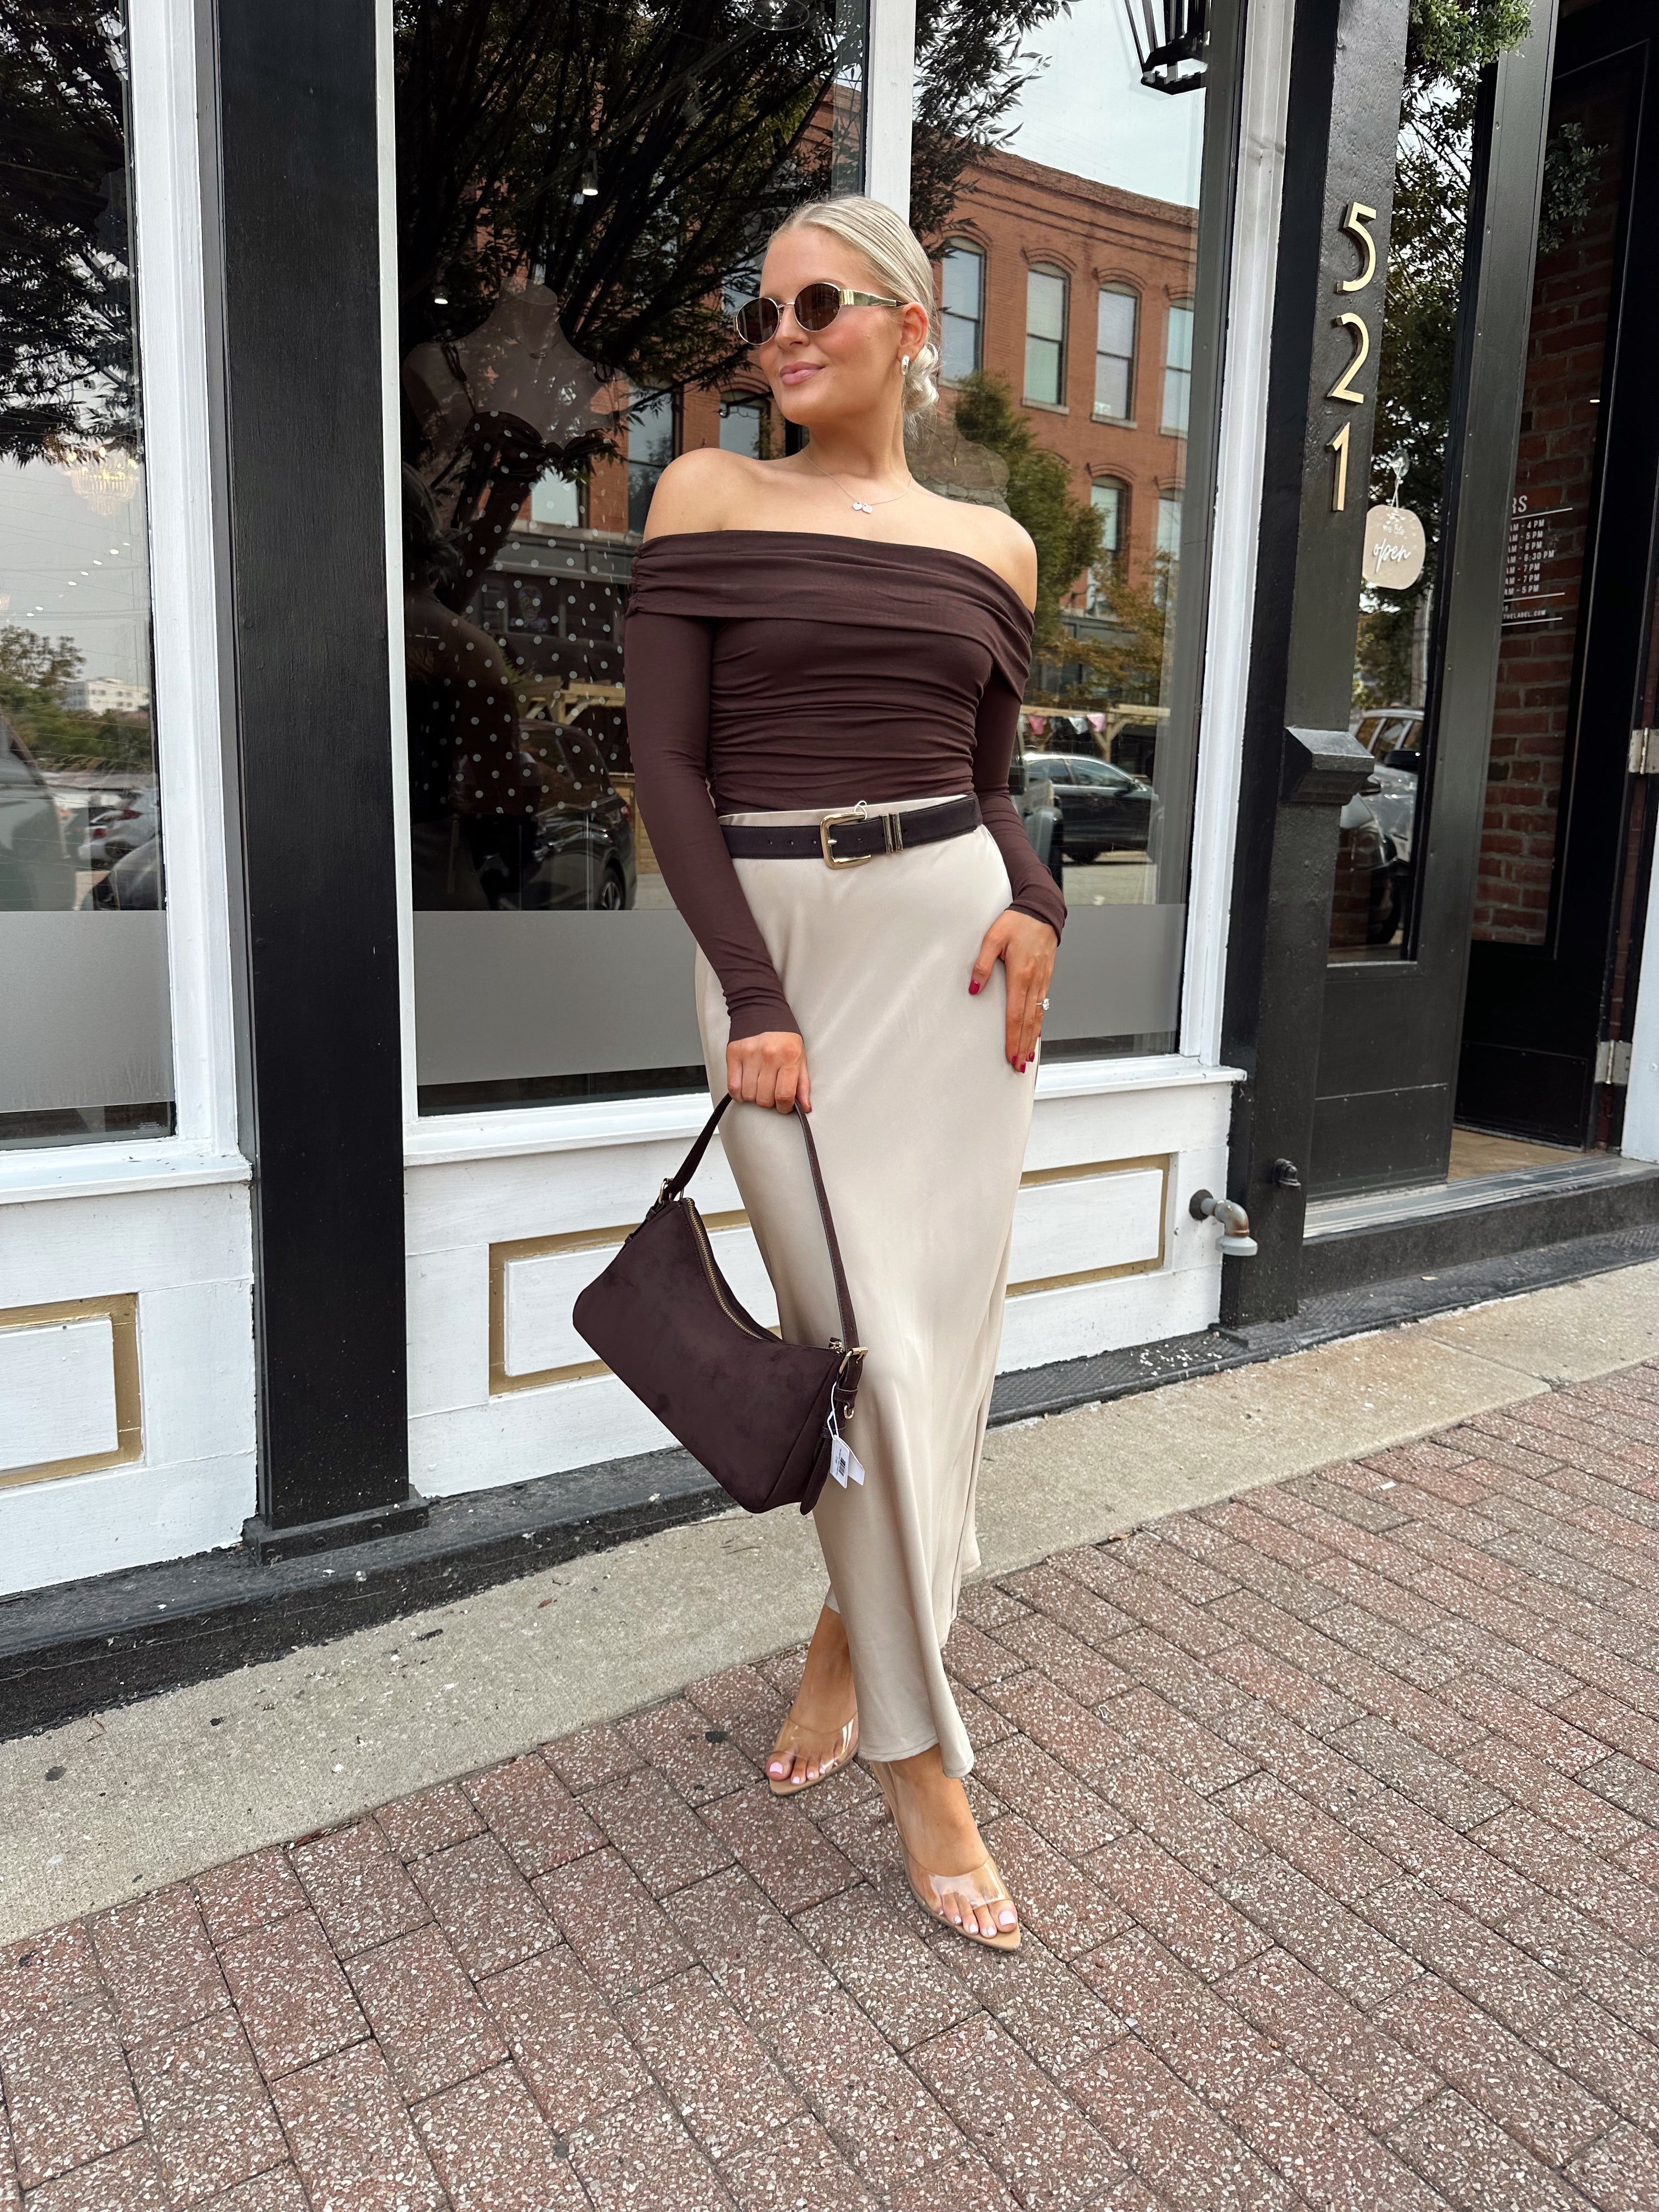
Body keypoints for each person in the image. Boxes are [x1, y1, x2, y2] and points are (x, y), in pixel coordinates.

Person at [622, 195, 1064, 1950]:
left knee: (939, 1347)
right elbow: (664, 769)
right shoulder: (708, 497)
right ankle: (920, 1764)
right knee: (848, 1350)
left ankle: (843, 1643)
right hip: (780, 959)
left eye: (818, 302)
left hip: (956, 954)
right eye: (761, 309)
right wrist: (747, 989)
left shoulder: (997, 544)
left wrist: (1036, 901)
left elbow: (997, 771)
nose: (780, 333)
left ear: (909, 321)